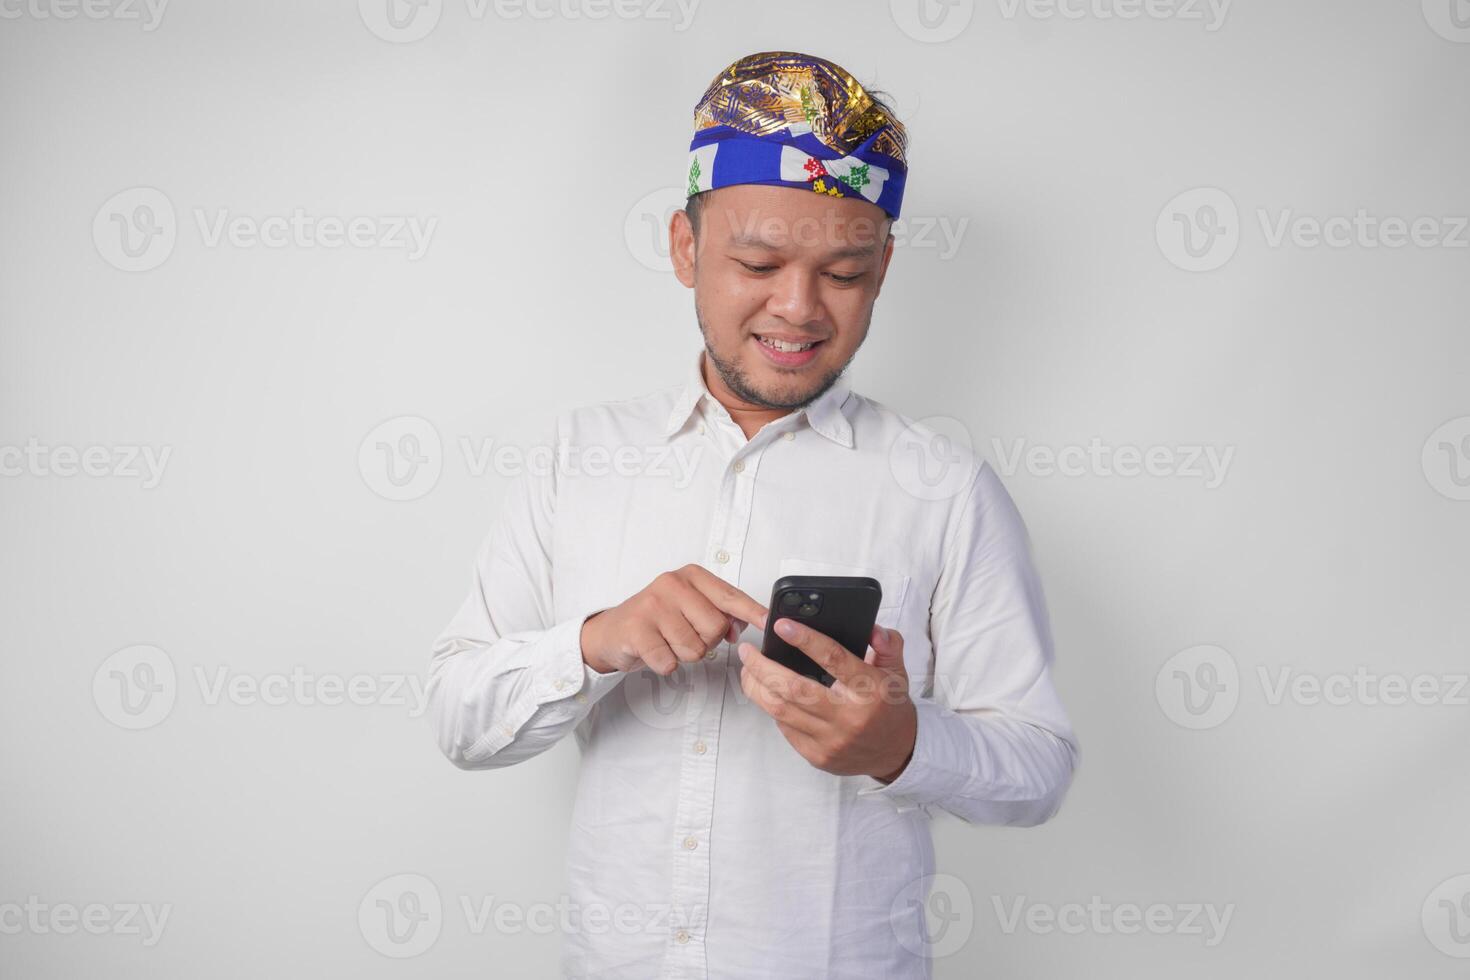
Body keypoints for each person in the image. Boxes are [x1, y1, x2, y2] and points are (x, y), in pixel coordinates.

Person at [427, 50, 1079, 979]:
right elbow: (459, 717)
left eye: (845, 274)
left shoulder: (945, 489)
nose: (799, 308)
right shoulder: (578, 459)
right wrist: (595, 641)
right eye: (759, 262)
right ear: (686, 248)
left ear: (885, 268)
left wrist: (904, 745)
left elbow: (1038, 764)